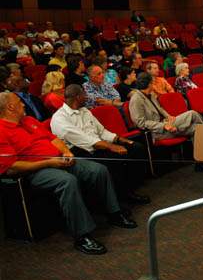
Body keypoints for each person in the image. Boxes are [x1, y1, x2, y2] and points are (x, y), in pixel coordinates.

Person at [0, 92, 136, 255]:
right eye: (19, 102)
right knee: (67, 181)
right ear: (10, 107)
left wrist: (66, 152)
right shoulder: (2, 131)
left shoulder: (29, 120)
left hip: (58, 159)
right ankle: (82, 236)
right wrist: (49, 162)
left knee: (98, 170)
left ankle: (114, 213)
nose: (23, 104)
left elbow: (53, 139)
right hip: (36, 170)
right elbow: (12, 167)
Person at [51, 85, 149, 205]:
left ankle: (129, 189)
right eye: (84, 95)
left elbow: (101, 131)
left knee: (136, 147)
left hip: (97, 145)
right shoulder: (59, 118)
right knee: (115, 159)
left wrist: (120, 140)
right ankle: (120, 200)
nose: (86, 97)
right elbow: (85, 140)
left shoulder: (85, 111)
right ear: (77, 97)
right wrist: (112, 146)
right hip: (80, 152)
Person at [129, 72, 203, 140]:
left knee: (195, 121)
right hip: (157, 130)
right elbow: (141, 123)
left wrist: (168, 116)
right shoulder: (136, 99)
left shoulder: (150, 94)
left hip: (166, 122)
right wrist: (163, 126)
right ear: (149, 84)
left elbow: (160, 108)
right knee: (195, 121)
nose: (154, 84)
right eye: (153, 82)